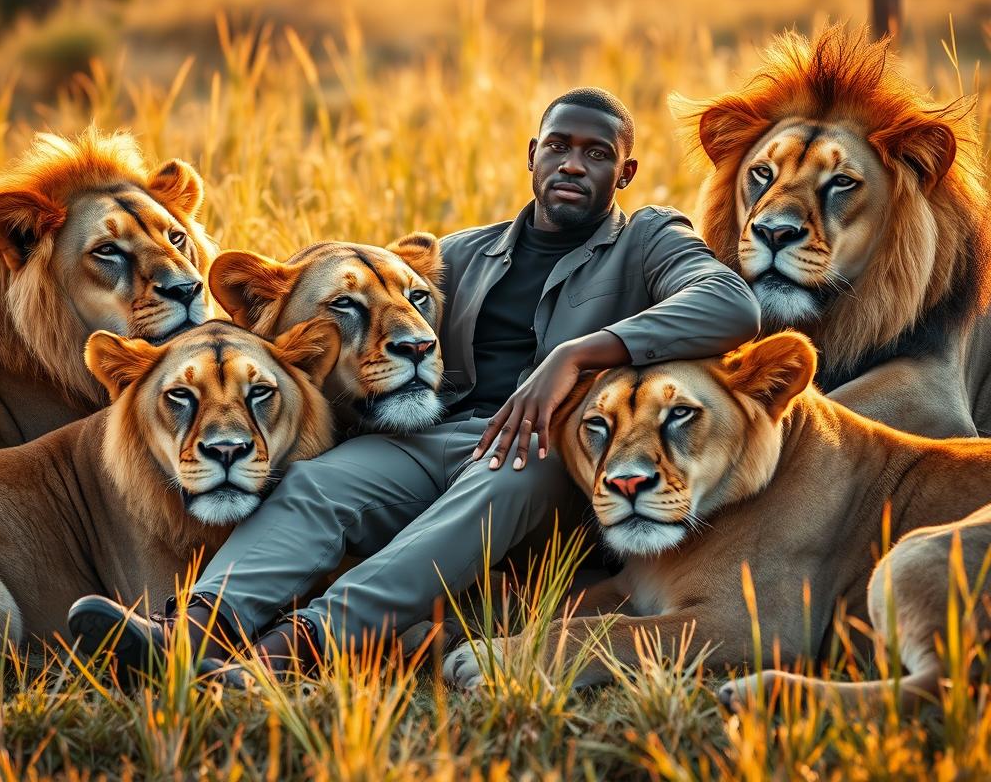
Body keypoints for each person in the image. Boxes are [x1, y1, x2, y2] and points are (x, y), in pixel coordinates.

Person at [68, 87, 761, 679]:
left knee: (489, 492)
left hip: (553, 445)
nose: (573, 164)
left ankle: (287, 654)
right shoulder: (461, 252)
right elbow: (354, 310)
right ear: (532, 156)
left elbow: (731, 304)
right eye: (558, 146)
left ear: (626, 170)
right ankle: (191, 634)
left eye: (597, 153)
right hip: (436, 434)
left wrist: (579, 355)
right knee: (323, 483)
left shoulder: (646, 241)